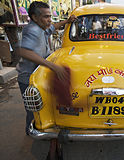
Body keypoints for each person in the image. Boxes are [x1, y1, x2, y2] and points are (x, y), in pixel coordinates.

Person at [16, 1, 76, 135]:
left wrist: (67, 21)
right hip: (28, 79)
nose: (49, 20)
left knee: (44, 107)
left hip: (38, 76)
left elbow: (52, 28)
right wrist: (53, 66)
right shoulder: (33, 31)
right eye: (46, 17)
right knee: (35, 112)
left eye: (50, 16)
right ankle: (31, 132)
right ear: (35, 17)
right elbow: (24, 52)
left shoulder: (40, 28)